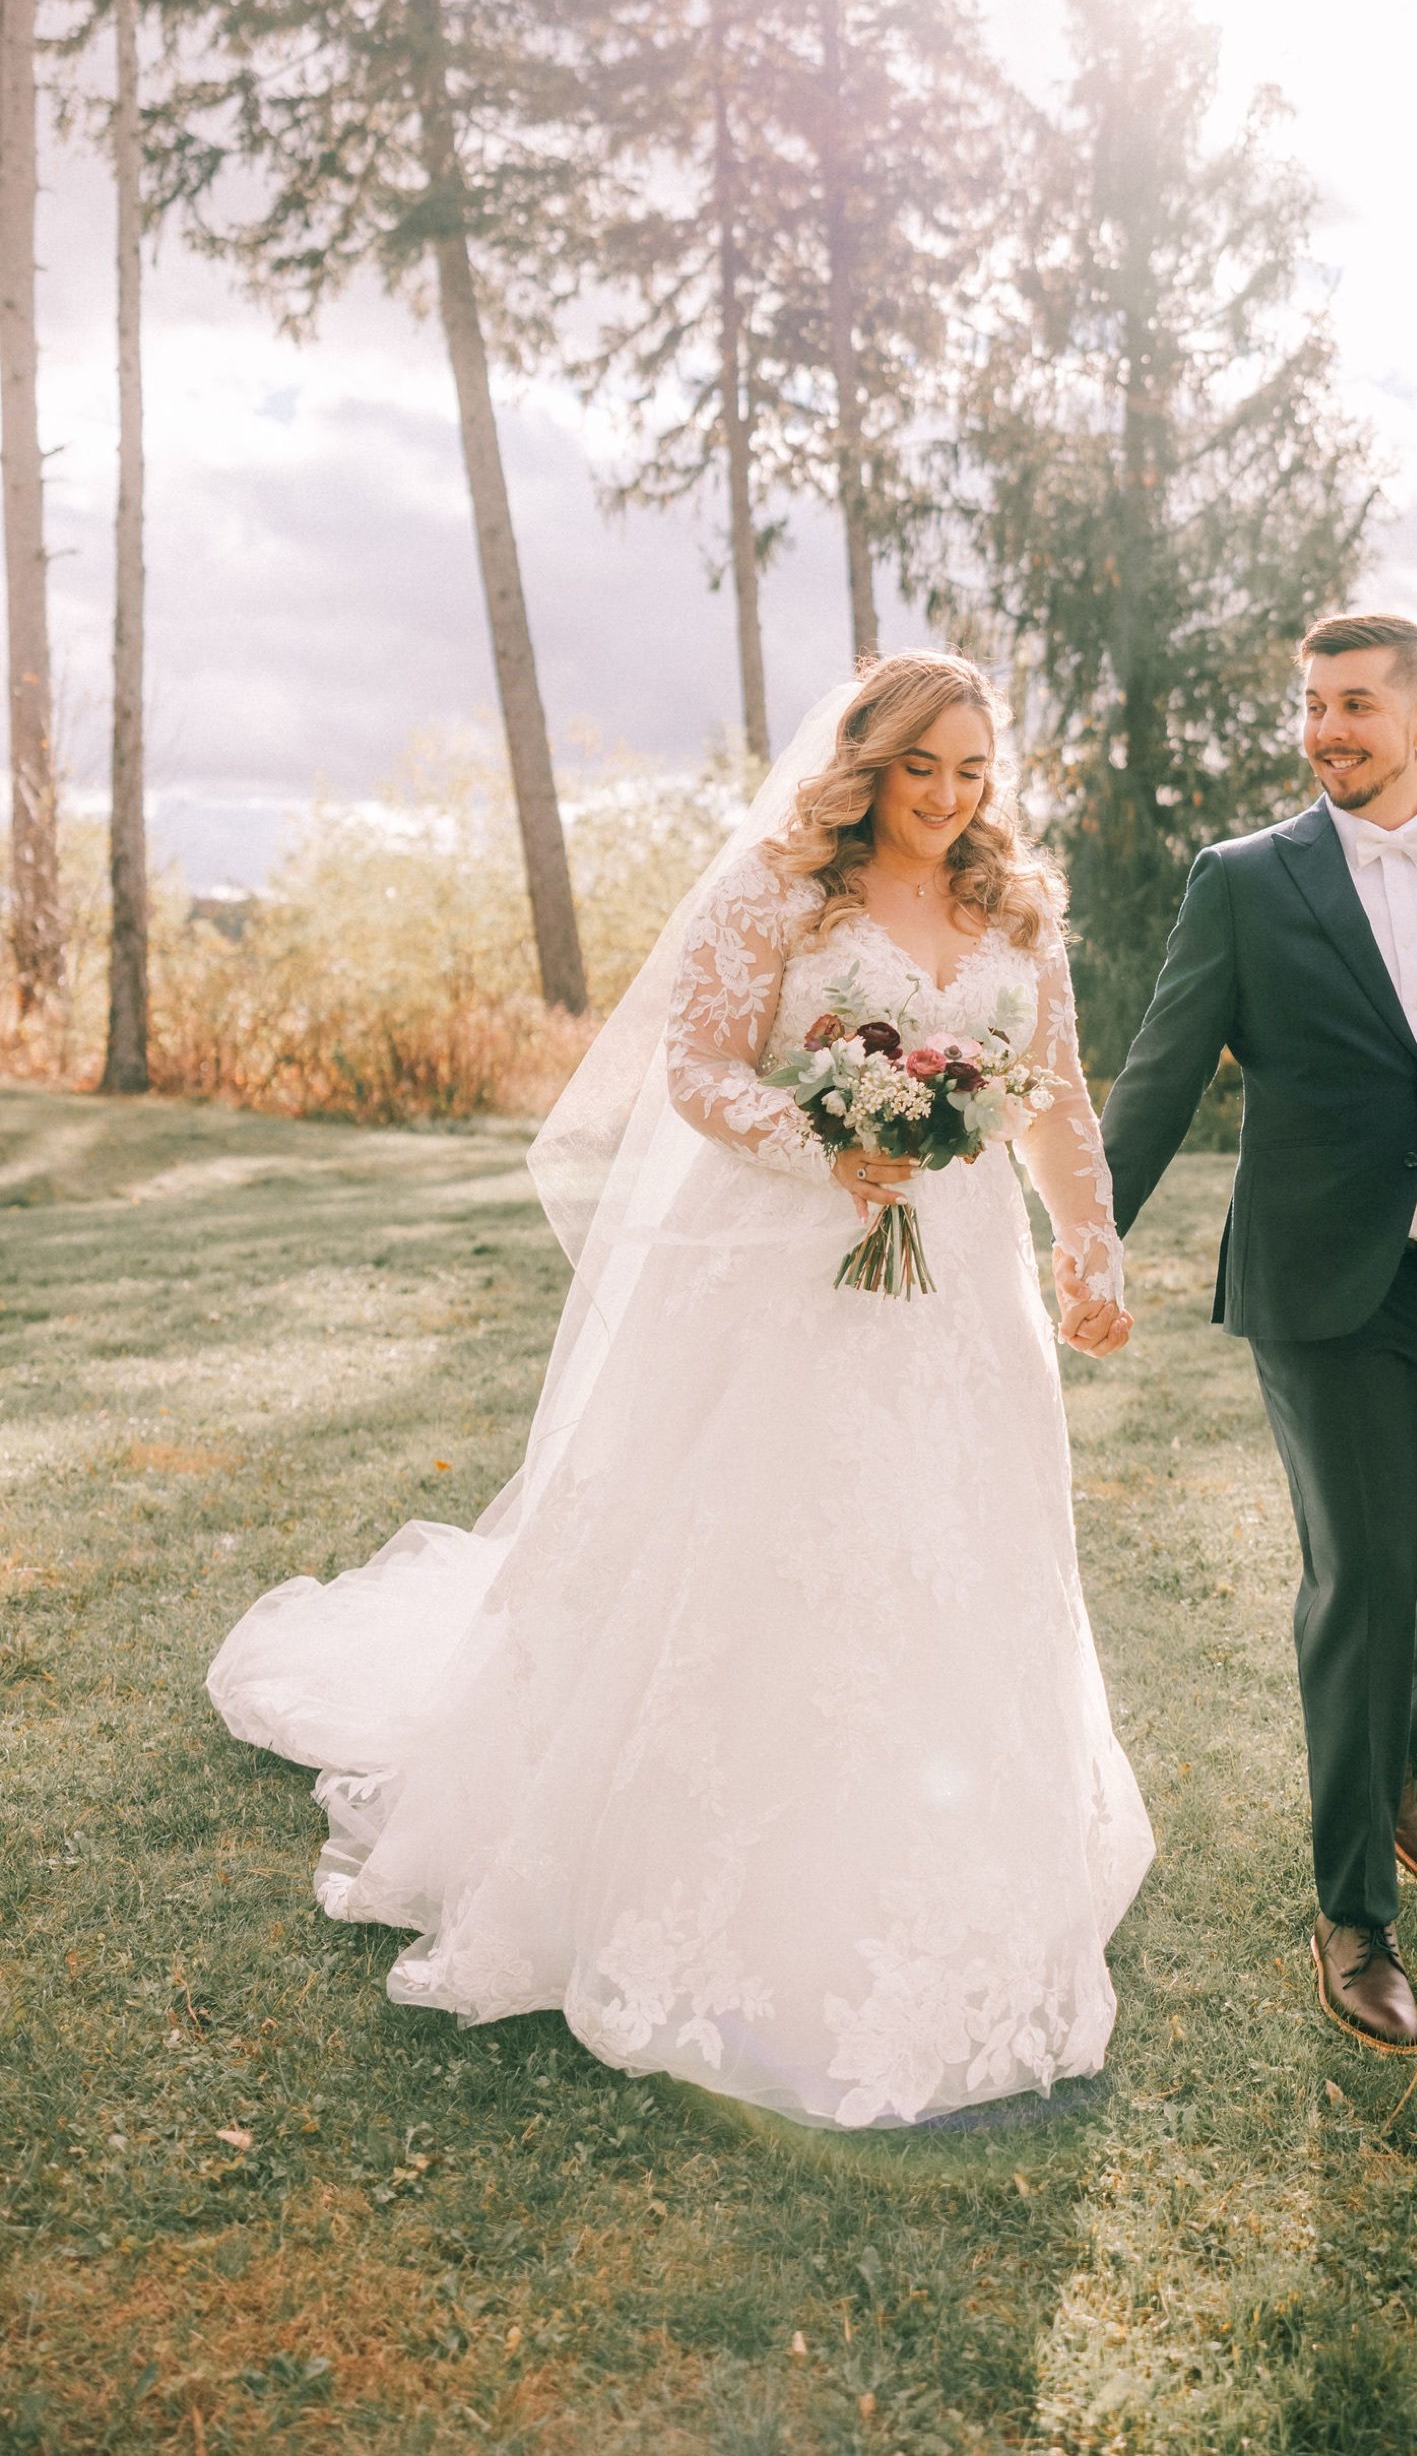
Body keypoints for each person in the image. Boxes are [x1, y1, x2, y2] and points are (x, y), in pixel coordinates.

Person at [208, 654, 1151, 2130]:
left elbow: (1059, 1096)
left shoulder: (1017, 908)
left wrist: (1088, 1240)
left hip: (963, 1292)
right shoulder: (780, 891)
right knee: (763, 1545)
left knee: (961, 1550)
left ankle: (956, 1853)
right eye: (922, 768)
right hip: (789, 1273)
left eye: (974, 771)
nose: (949, 797)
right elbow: (698, 1064)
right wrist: (822, 1141)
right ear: (868, 764)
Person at [1099, 613, 1417, 2058]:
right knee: (1363, 1584)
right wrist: (1090, 1237)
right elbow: (1158, 1074)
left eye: (1355, 705)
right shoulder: (1244, 882)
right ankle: (1353, 1920)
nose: (1326, 728)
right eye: (1313, 704)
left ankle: (1395, 1742)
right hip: (1322, 1290)